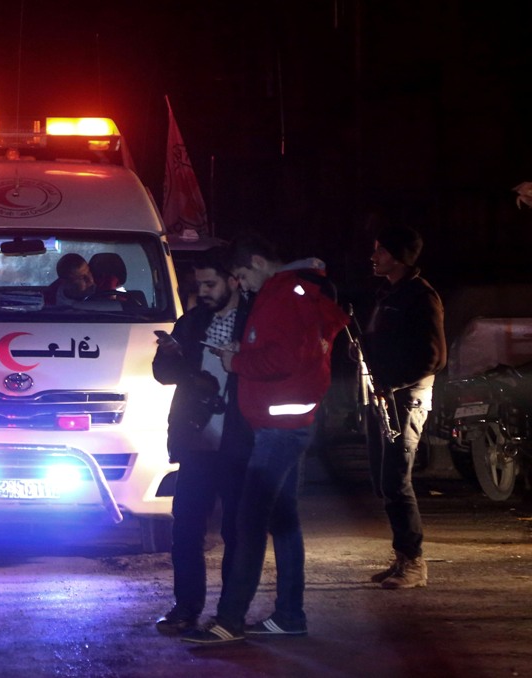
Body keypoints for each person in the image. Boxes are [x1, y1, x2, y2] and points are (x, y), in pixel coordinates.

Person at [183, 232, 348, 644]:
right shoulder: (295, 291)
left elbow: (285, 358)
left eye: (240, 275)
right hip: (287, 423)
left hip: (278, 429)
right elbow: (289, 351)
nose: (242, 284)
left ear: (256, 262)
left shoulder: (283, 295)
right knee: (284, 521)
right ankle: (289, 615)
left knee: (250, 521)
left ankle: (229, 621)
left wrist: (235, 359)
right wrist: (245, 351)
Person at [152, 248, 254, 636]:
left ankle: (230, 612)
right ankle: (186, 606)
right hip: (196, 439)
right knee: (187, 526)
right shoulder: (192, 321)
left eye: (211, 283)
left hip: (239, 439)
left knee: (236, 530)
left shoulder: (255, 320)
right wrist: (172, 355)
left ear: (234, 280)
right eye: (199, 285)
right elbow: (163, 374)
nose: (204, 292)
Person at [363, 223, 446, 589]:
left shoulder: (420, 296)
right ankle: (402, 560)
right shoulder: (390, 293)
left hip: (406, 399)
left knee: (397, 480)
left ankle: (414, 563)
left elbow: (434, 356)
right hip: (388, 396)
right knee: (387, 481)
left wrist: (393, 383)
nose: (373, 256)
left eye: (380, 250)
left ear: (397, 257)